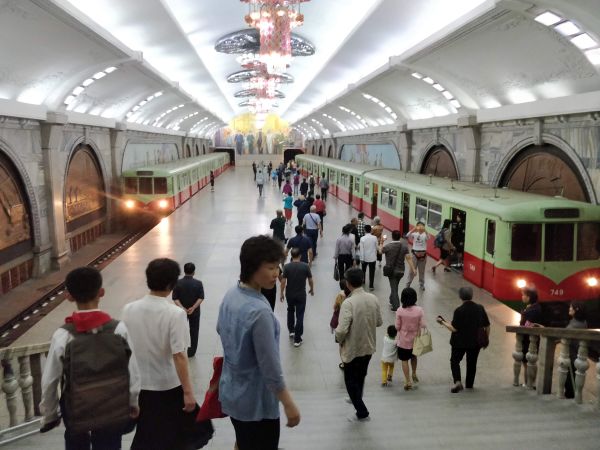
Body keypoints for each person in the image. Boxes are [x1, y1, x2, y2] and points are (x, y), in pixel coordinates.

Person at [40, 267, 140, 450]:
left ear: (69, 296)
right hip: (112, 405)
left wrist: (50, 415)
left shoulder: (63, 335)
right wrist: (133, 402)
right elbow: (132, 372)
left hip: (76, 409)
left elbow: (50, 380)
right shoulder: (119, 329)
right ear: (101, 292)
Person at [217, 236, 300, 450]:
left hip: (233, 392)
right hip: (257, 404)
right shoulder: (260, 312)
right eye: (271, 267)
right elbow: (270, 366)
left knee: (243, 441)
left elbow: (221, 329)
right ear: (252, 267)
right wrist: (288, 403)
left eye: (278, 267)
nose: (277, 273)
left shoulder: (231, 294)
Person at [122, 258, 196, 450]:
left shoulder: (129, 309)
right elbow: (179, 355)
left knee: (147, 433)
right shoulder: (175, 314)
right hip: (166, 387)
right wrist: (188, 392)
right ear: (172, 284)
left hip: (138, 385)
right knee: (169, 436)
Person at [335, 268, 382, 422]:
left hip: (353, 348)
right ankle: (357, 396)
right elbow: (379, 322)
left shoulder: (348, 303)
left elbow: (342, 330)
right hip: (368, 346)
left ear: (348, 284)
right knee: (361, 375)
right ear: (362, 280)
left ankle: (361, 409)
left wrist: (337, 337)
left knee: (349, 380)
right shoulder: (373, 298)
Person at [437, 287, 490, 393]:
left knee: (455, 361)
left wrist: (442, 322)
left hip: (459, 342)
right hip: (475, 342)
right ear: (472, 295)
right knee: (472, 363)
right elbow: (487, 326)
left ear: (460, 296)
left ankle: (457, 382)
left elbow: (453, 328)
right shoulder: (480, 308)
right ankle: (469, 385)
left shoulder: (459, 310)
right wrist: (486, 338)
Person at [280, 248, 314, 347]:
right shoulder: (305, 266)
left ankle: (291, 330)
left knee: (290, 310)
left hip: (289, 294)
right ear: (300, 256)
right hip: (301, 295)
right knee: (300, 315)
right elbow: (310, 280)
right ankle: (297, 339)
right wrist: (312, 289)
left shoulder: (287, 267)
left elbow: (283, 281)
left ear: (291, 255)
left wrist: (281, 293)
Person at [172, 262, 205, 358]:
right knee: (194, 330)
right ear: (194, 272)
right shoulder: (198, 283)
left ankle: (181, 349)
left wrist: (182, 308)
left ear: (184, 271)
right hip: (195, 311)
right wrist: (193, 307)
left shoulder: (177, 283)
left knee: (181, 330)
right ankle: (192, 351)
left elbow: (175, 298)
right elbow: (201, 297)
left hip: (181, 312)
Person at [395, 288, 426, 391]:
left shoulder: (400, 310)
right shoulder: (419, 310)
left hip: (403, 341)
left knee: (404, 360)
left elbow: (397, 327)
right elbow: (423, 325)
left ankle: (408, 381)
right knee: (413, 357)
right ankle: (414, 372)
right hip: (416, 339)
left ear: (402, 298)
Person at [381, 230, 413, 311]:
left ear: (392, 236)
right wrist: (413, 268)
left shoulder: (388, 246)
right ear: (400, 237)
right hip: (401, 271)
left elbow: (380, 251)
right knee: (395, 286)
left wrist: (381, 242)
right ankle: (391, 300)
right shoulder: (404, 246)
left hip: (392, 271)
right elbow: (408, 258)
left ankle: (396, 307)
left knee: (394, 289)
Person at [518, 286, 544, 385]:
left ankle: (529, 384)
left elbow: (525, 325)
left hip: (528, 340)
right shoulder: (535, 307)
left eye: (523, 295)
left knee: (528, 362)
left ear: (528, 297)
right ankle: (529, 383)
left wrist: (523, 314)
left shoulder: (532, 310)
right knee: (529, 362)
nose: (522, 297)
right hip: (531, 340)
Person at [563, 302, 587, 399]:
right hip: (579, 354)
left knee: (569, 379)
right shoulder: (584, 322)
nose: (569, 308)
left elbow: (565, 339)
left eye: (571, 307)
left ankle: (570, 396)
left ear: (576, 310)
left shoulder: (573, 326)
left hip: (572, 354)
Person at [406, 221, 429, 291]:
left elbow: (428, 238)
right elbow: (407, 235)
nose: (420, 227)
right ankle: (408, 284)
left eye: (422, 226)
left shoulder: (425, 234)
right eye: (419, 226)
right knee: (411, 270)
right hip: (414, 254)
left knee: (421, 271)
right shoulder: (414, 234)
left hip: (423, 255)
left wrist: (425, 230)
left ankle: (422, 284)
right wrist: (414, 229)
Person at [359, 225, 378, 291]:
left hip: (364, 258)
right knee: (372, 272)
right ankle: (371, 285)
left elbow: (361, 250)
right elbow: (377, 247)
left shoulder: (362, 238)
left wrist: (361, 258)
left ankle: (363, 281)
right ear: (371, 230)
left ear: (364, 230)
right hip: (372, 258)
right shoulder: (375, 238)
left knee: (363, 271)